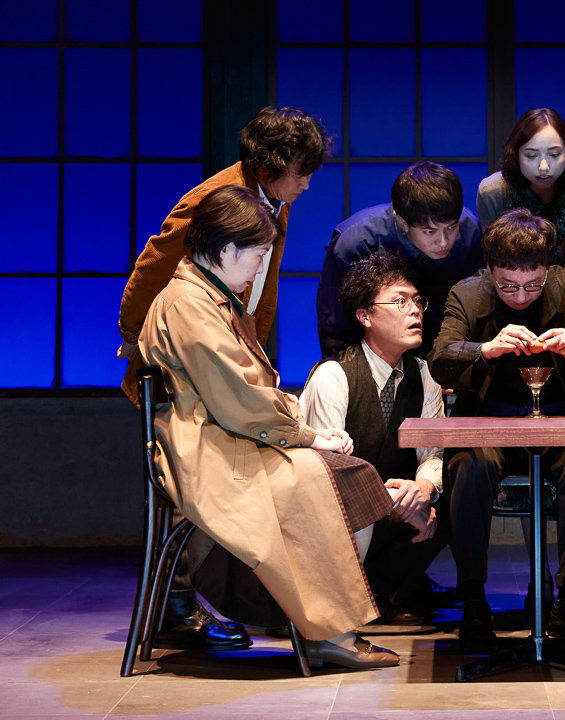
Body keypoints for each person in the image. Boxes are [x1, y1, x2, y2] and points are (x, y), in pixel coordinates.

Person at [140, 185, 433, 669]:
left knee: (345, 472)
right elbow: (238, 400)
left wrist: (300, 425)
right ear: (227, 250)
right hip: (212, 451)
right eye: (258, 255)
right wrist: (308, 434)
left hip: (228, 436)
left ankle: (327, 624)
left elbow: (248, 391)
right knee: (341, 476)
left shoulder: (211, 299)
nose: (260, 268)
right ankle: (327, 629)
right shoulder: (189, 304)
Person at [117, 105, 331, 650]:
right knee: (206, 465)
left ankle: (275, 601)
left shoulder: (273, 199)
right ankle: (182, 602)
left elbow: (256, 290)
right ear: (269, 165)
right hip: (191, 356)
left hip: (229, 348)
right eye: (300, 172)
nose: (306, 184)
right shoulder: (216, 201)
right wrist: (138, 337)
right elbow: (154, 264)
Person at [427, 209, 565, 647]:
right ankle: (473, 599)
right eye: (508, 286)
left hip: (559, 424)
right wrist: (485, 349)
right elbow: (440, 359)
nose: (520, 295)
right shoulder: (468, 293)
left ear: (548, 268)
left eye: (532, 285)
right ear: (490, 268)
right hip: (488, 426)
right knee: (467, 467)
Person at [301, 250, 454, 625]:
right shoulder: (334, 376)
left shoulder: (424, 375)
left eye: (417, 301)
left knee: (457, 495)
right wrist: (397, 501)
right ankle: (344, 598)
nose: (414, 310)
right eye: (400, 302)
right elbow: (327, 476)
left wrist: (422, 490)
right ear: (365, 316)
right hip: (333, 517)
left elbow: (432, 454)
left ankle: (383, 594)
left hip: (387, 509)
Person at [317, 162, 484, 359]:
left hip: (443, 351)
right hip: (373, 356)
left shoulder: (470, 233)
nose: (444, 241)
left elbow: (472, 313)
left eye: (451, 227)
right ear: (402, 222)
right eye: (430, 232)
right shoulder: (357, 243)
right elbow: (336, 328)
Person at [478, 107, 565, 264]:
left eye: (554, 155)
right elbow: (494, 262)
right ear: (516, 154)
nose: (544, 167)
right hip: (516, 279)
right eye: (532, 156)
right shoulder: (493, 193)